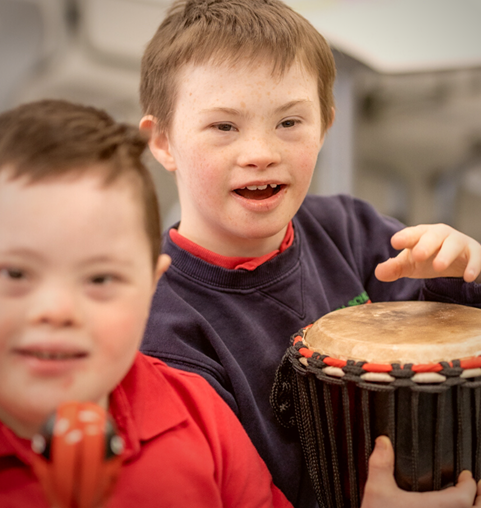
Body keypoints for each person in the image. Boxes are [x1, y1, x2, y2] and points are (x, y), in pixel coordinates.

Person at [138, 1, 481, 507]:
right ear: (163, 141)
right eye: (224, 127)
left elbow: (475, 370)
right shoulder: (162, 326)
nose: (261, 151)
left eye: (289, 122)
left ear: (327, 123)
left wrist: (463, 279)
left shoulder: (351, 229)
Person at [0, 99, 293, 507]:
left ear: (151, 287)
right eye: (14, 274)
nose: (57, 311)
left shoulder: (200, 413)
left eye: (101, 278)